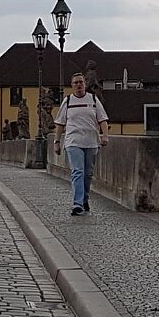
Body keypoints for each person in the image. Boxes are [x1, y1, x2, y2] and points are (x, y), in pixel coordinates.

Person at [54, 72, 109, 216]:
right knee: (78, 171)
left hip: (91, 142)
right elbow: (60, 123)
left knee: (88, 174)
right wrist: (57, 141)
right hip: (73, 141)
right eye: (75, 83)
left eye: (81, 82)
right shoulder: (68, 101)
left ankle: (84, 199)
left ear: (84, 84)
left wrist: (105, 135)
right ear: (72, 86)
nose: (78, 85)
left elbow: (102, 119)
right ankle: (77, 204)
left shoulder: (93, 99)